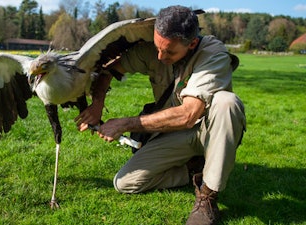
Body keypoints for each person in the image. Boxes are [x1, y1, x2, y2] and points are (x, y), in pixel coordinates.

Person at [75, 5, 246, 225]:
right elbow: (109, 69)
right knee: (125, 182)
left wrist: (125, 124)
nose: (160, 56)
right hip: (175, 134)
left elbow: (189, 114)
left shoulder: (213, 53)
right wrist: (97, 105)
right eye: (157, 47)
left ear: (192, 43)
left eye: (170, 52)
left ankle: (207, 198)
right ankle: (193, 169)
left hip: (209, 131)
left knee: (227, 102)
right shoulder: (158, 50)